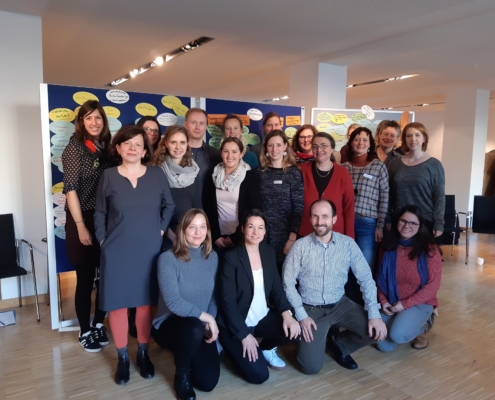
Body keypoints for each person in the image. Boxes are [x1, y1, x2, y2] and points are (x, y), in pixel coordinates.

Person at [94, 125, 175, 385]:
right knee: (117, 304)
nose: (132, 148)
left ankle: (142, 353)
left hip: (148, 250)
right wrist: (102, 240)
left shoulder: (156, 175)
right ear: (118, 148)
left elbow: (169, 205)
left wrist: (160, 230)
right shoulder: (108, 176)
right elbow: (99, 212)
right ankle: (122, 358)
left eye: (138, 144)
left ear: (144, 150)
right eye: (127, 143)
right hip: (116, 251)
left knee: (143, 304)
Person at [283, 199, 387, 375]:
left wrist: (374, 314)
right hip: (311, 309)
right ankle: (311, 343)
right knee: (310, 367)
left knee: (375, 331)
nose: (319, 221)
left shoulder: (348, 244)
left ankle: (339, 343)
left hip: (340, 304)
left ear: (334, 219)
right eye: (315, 216)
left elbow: (366, 279)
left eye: (325, 216)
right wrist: (301, 315)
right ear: (310, 218)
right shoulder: (300, 247)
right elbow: (287, 284)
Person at [217, 210, 300, 384]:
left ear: (265, 231)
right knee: (260, 376)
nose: (256, 232)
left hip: (261, 317)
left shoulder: (268, 252)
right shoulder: (231, 257)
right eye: (251, 227)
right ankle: (229, 348)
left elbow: (276, 288)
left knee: (294, 329)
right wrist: (243, 335)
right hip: (236, 323)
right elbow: (227, 302)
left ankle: (265, 348)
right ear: (243, 229)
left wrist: (287, 314)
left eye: (260, 227)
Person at [151, 209, 220, 400]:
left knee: (208, 383)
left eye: (202, 227)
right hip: (168, 326)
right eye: (192, 227)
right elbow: (173, 302)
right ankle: (181, 375)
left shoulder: (212, 257)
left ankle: (187, 350)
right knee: (193, 327)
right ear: (182, 229)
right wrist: (207, 318)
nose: (198, 232)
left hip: (198, 326)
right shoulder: (167, 258)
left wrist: (209, 322)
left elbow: (213, 297)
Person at [61, 100, 112, 352]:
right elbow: (70, 189)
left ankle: (99, 323)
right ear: (81, 121)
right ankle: (84, 329)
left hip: (106, 217)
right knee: (85, 277)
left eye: (98, 117)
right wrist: (81, 225)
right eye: (88, 118)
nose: (94, 122)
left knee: (106, 276)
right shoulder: (75, 148)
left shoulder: (108, 147)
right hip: (81, 216)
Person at [376, 205, 442, 351]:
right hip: (392, 300)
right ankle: (401, 320)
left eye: (413, 223)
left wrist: (404, 305)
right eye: (403, 221)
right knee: (383, 345)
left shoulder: (430, 249)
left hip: (419, 302)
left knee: (398, 335)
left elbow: (433, 286)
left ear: (420, 226)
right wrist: (383, 300)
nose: (407, 226)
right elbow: (379, 278)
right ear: (397, 221)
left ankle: (423, 326)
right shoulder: (387, 245)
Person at [342, 127, 389, 269]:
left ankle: (365, 285)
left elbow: (384, 197)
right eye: (356, 139)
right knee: (345, 263)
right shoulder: (343, 168)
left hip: (367, 223)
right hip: (345, 221)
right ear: (351, 143)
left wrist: (380, 227)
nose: (360, 143)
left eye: (364, 140)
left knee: (365, 265)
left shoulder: (378, 166)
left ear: (370, 144)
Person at [388, 122, 446, 238]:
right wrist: (387, 218)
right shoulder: (395, 164)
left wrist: (439, 223)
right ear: (405, 139)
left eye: (417, 135)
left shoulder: (434, 165)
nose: (413, 139)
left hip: (425, 221)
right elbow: (388, 195)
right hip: (400, 221)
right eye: (409, 136)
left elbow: (439, 196)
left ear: (424, 138)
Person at [257, 130, 304, 269]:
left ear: (285, 146)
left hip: (286, 236)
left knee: (284, 275)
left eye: (278, 145)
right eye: (270, 145)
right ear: (266, 148)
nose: (274, 149)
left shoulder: (294, 173)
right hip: (263, 235)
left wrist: (292, 238)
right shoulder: (260, 173)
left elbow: (298, 207)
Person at [203, 137, 261, 251]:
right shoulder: (213, 175)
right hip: (217, 238)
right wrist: (215, 236)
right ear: (221, 153)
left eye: (234, 152)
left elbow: (255, 211)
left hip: (241, 237)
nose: (230, 156)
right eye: (226, 151)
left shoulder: (250, 177)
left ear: (241, 154)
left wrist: (235, 238)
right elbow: (207, 207)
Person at [151, 125, 201, 250]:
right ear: (166, 143)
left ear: (187, 144)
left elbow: (197, 204)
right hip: (164, 232)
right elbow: (152, 209)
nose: (178, 147)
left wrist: (197, 230)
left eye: (182, 142)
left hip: (190, 230)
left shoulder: (193, 170)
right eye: (174, 142)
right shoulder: (155, 170)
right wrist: (170, 234)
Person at [299, 132, 355, 238]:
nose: (319, 150)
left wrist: (350, 238)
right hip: (305, 234)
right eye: (315, 146)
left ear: (332, 149)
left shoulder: (343, 174)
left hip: (335, 235)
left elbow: (349, 208)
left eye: (324, 146)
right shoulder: (301, 170)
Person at [184, 107, 222, 195]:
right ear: (186, 125)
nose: (197, 127)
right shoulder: (175, 153)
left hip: (206, 203)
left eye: (201, 123)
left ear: (206, 127)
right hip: (180, 203)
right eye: (194, 122)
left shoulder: (215, 155)